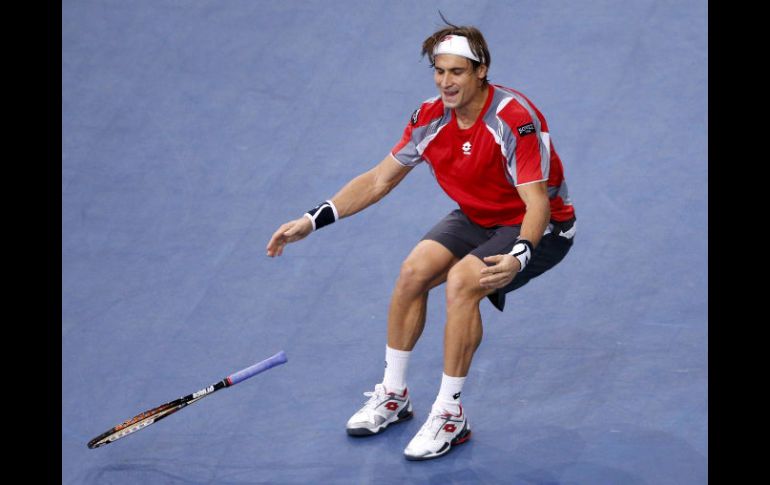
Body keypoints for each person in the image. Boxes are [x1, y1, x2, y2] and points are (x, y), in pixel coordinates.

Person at [266, 21, 576, 461]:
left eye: (457, 72)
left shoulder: (514, 120)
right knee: (413, 272)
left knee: (463, 281)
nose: (445, 82)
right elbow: (378, 180)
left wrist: (521, 255)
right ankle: (394, 396)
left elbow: (537, 203)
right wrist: (312, 220)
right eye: (438, 70)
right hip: (478, 215)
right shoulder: (429, 117)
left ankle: (450, 414)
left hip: (540, 225)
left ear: (481, 71)